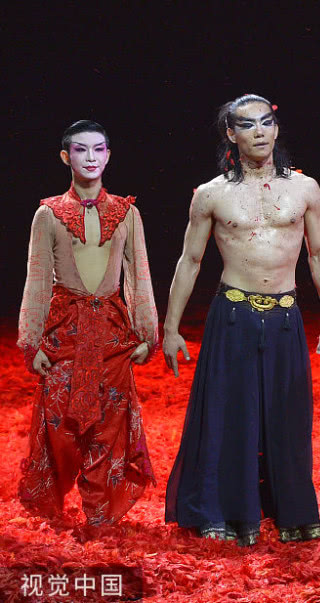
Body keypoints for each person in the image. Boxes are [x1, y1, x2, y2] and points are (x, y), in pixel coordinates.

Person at [162, 94, 320, 546]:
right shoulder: (211, 194)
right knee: (229, 415)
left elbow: (319, 253)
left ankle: (292, 513)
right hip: (233, 314)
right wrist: (170, 328)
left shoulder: (305, 189)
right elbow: (190, 261)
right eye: (247, 124)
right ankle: (224, 512)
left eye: (266, 122)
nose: (259, 132)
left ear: (276, 129)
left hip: (285, 316)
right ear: (231, 134)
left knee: (288, 418)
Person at [17, 120, 157, 525]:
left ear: (108, 155)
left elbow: (139, 276)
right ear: (66, 156)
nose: (91, 157)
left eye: (98, 149)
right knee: (59, 427)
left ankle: (99, 517)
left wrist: (146, 335)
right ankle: (57, 505)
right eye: (81, 149)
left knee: (109, 427)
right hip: (66, 331)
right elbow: (37, 279)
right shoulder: (48, 214)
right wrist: (32, 343)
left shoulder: (127, 213)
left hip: (112, 335)